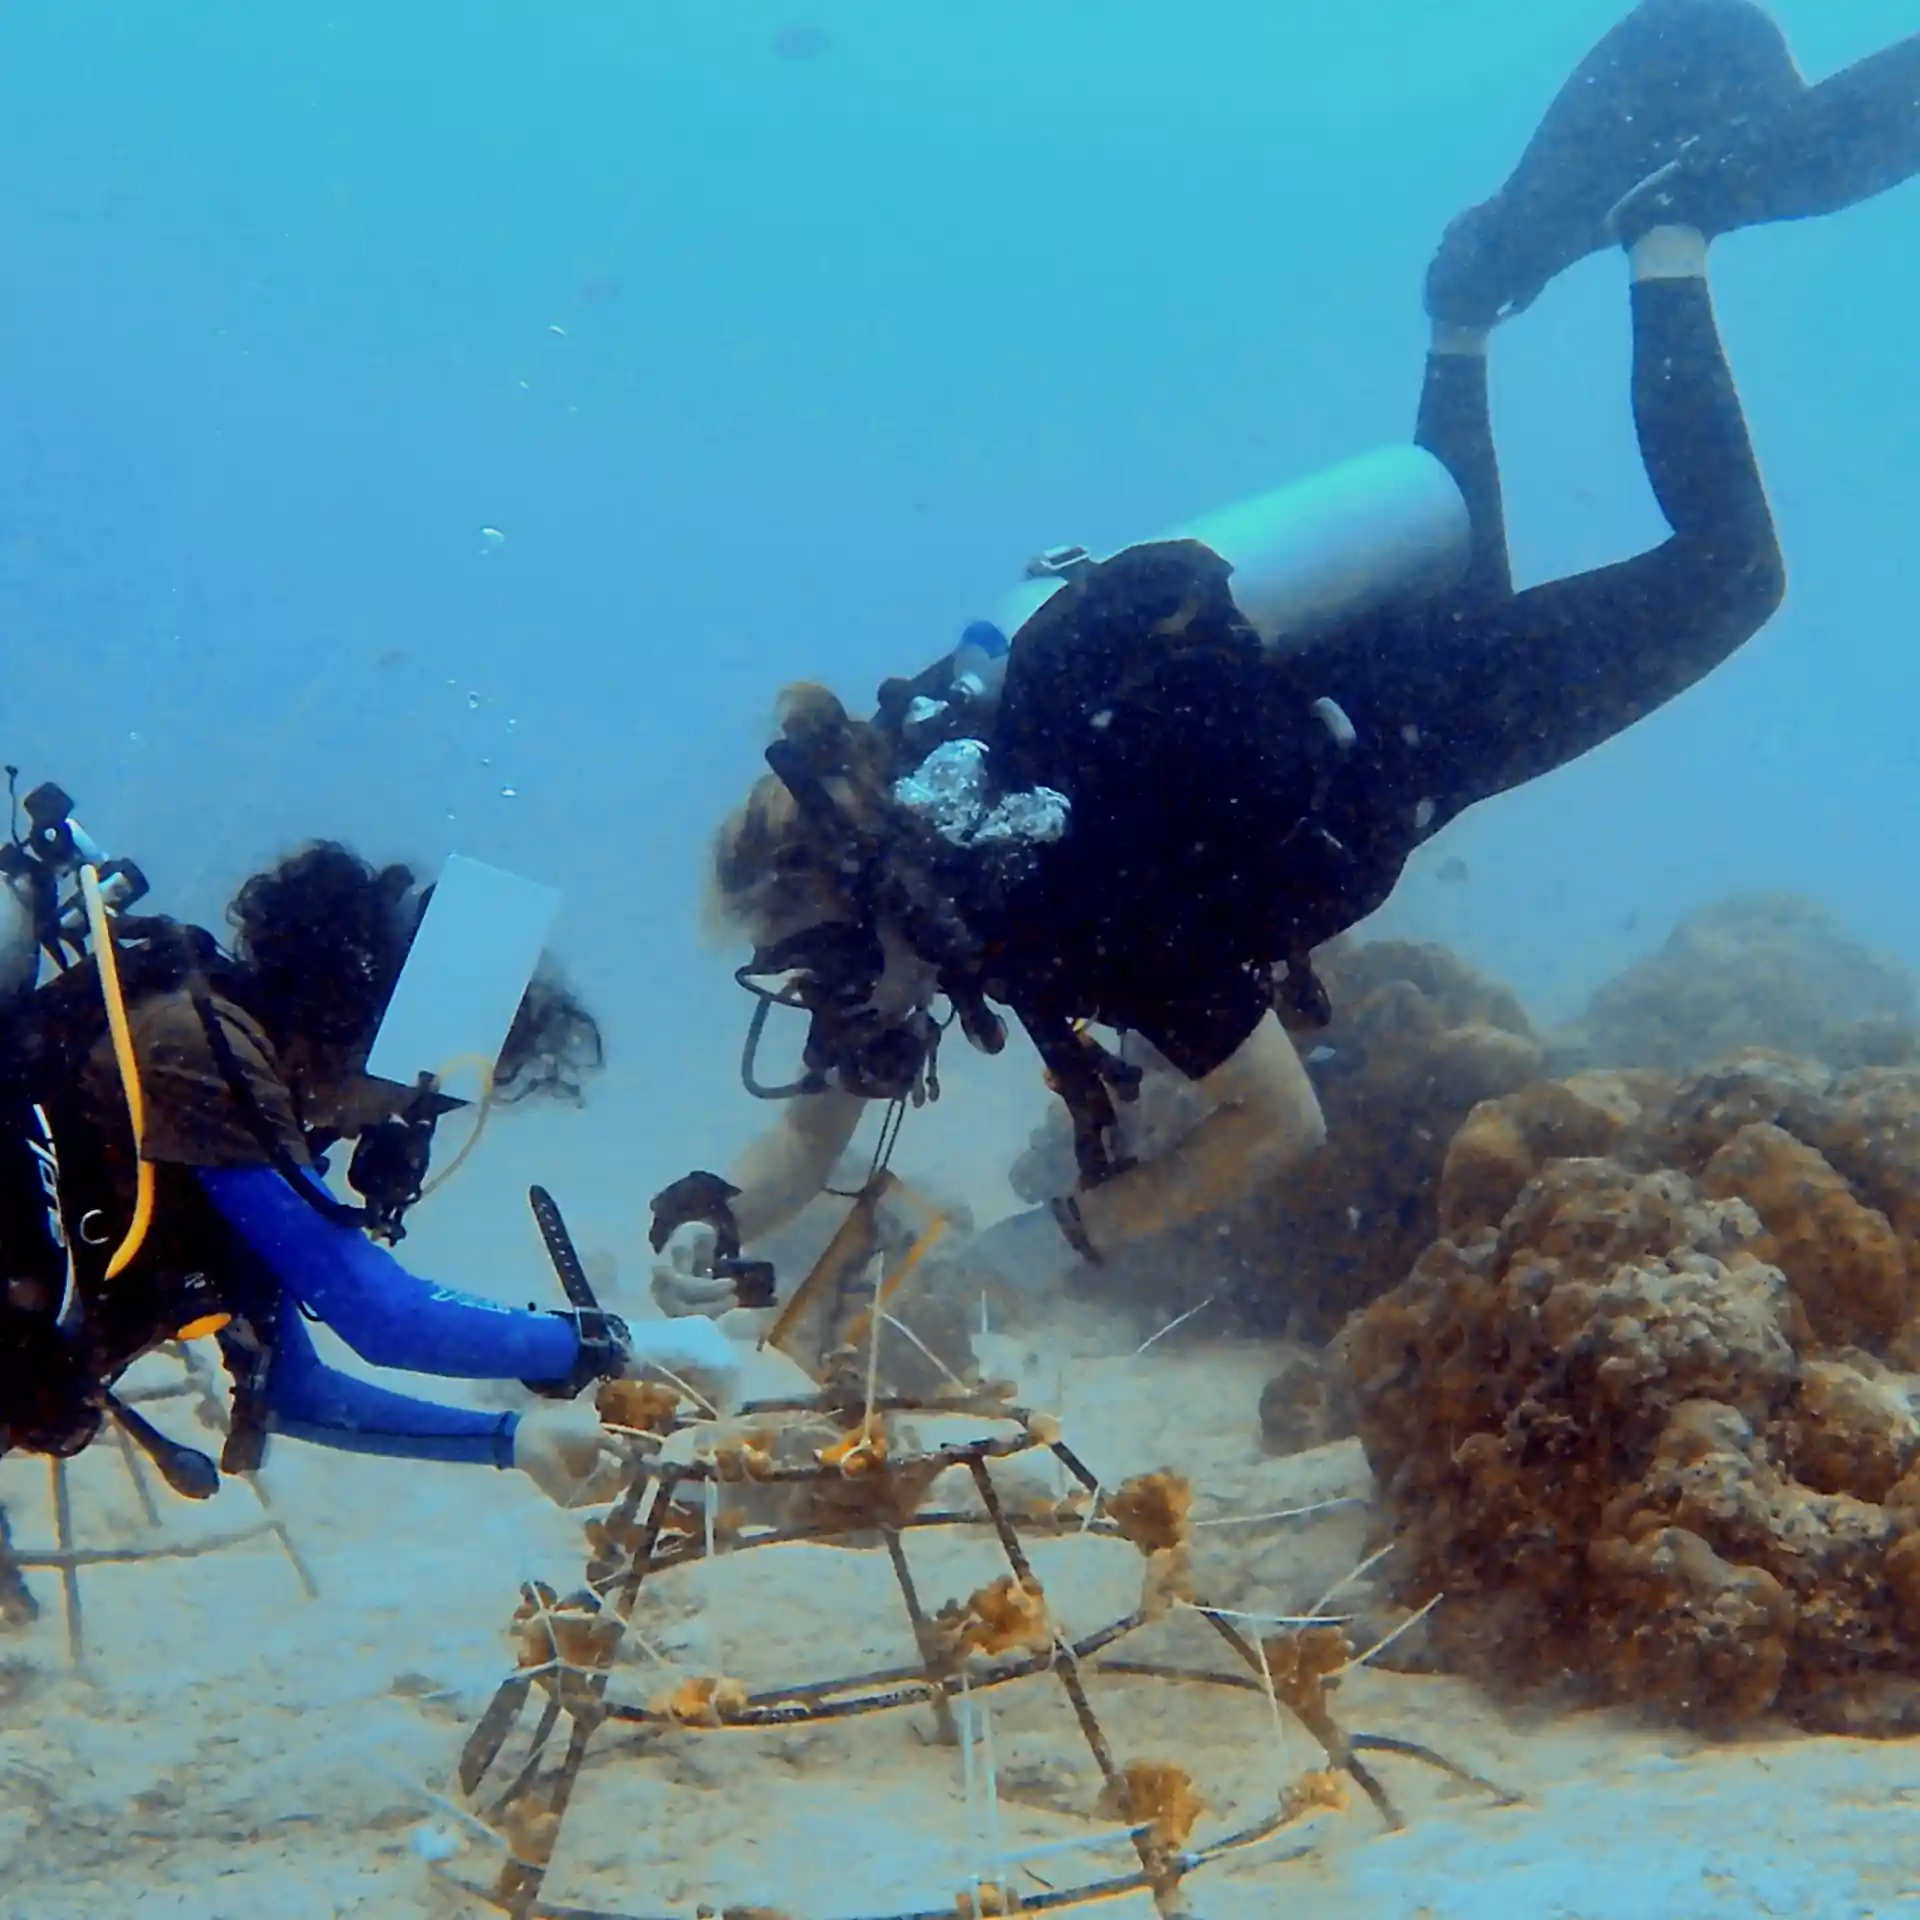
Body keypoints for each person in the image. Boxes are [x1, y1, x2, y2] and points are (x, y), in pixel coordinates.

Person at [649, 0, 1920, 1315]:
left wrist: (1059, 1238)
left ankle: (1674, 222)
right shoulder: (926, 853)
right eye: (816, 987)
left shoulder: (1070, 902)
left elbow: (1276, 1121)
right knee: (1454, 539)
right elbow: (808, 1137)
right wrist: (713, 1214)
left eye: (829, 973)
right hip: (1367, 688)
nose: (835, 1010)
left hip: (1426, 724)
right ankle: (1464, 311)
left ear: (868, 890)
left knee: (1733, 575)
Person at [0, 835, 736, 1505]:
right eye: (416, 1096)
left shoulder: (246, 1099)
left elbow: (295, 1392)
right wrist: (621, 1344)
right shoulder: (203, 1053)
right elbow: (389, 1321)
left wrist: (509, 1440)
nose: (391, 1127)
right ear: (372, 1023)